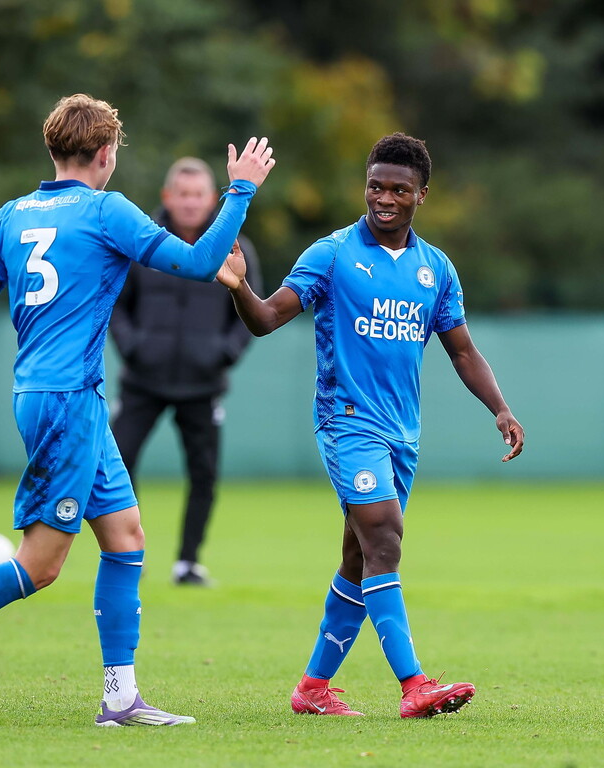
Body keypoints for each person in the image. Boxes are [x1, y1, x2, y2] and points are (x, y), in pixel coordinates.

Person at [0, 93, 275, 728]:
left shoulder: (10, 215)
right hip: (66, 403)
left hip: (55, 396)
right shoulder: (107, 210)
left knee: (126, 535)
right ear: (106, 154)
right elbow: (196, 262)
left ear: (52, 150)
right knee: (42, 563)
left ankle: (120, 698)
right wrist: (239, 192)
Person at [216, 132, 524, 718]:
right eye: (375, 186)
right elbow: (265, 320)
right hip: (347, 422)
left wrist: (500, 408)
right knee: (384, 537)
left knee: (359, 560)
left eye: (398, 190)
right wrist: (239, 288)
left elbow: (462, 351)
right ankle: (414, 685)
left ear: (420, 196)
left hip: (401, 434)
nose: (384, 198)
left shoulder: (437, 269)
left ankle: (312, 689)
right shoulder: (331, 254)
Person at [110, 157, 262, 586]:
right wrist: (133, 347)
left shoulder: (234, 246)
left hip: (202, 384)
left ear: (212, 199)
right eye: (183, 194)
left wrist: (222, 354)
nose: (191, 202)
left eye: (199, 194)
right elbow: (117, 307)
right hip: (142, 381)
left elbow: (249, 312)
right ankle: (127, 551)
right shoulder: (143, 243)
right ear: (168, 197)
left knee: (204, 473)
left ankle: (188, 562)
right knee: (118, 462)